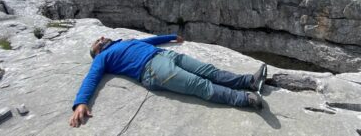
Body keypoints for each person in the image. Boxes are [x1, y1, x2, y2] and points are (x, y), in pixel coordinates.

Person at [69, 34, 267, 128]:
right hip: (152, 69)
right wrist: (81, 103)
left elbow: (150, 40)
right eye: (97, 41)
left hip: (165, 54)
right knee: (199, 85)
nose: (101, 38)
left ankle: (250, 81)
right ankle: (245, 99)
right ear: (96, 52)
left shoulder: (125, 42)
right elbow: (91, 78)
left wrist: (171, 36)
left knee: (208, 70)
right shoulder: (102, 58)